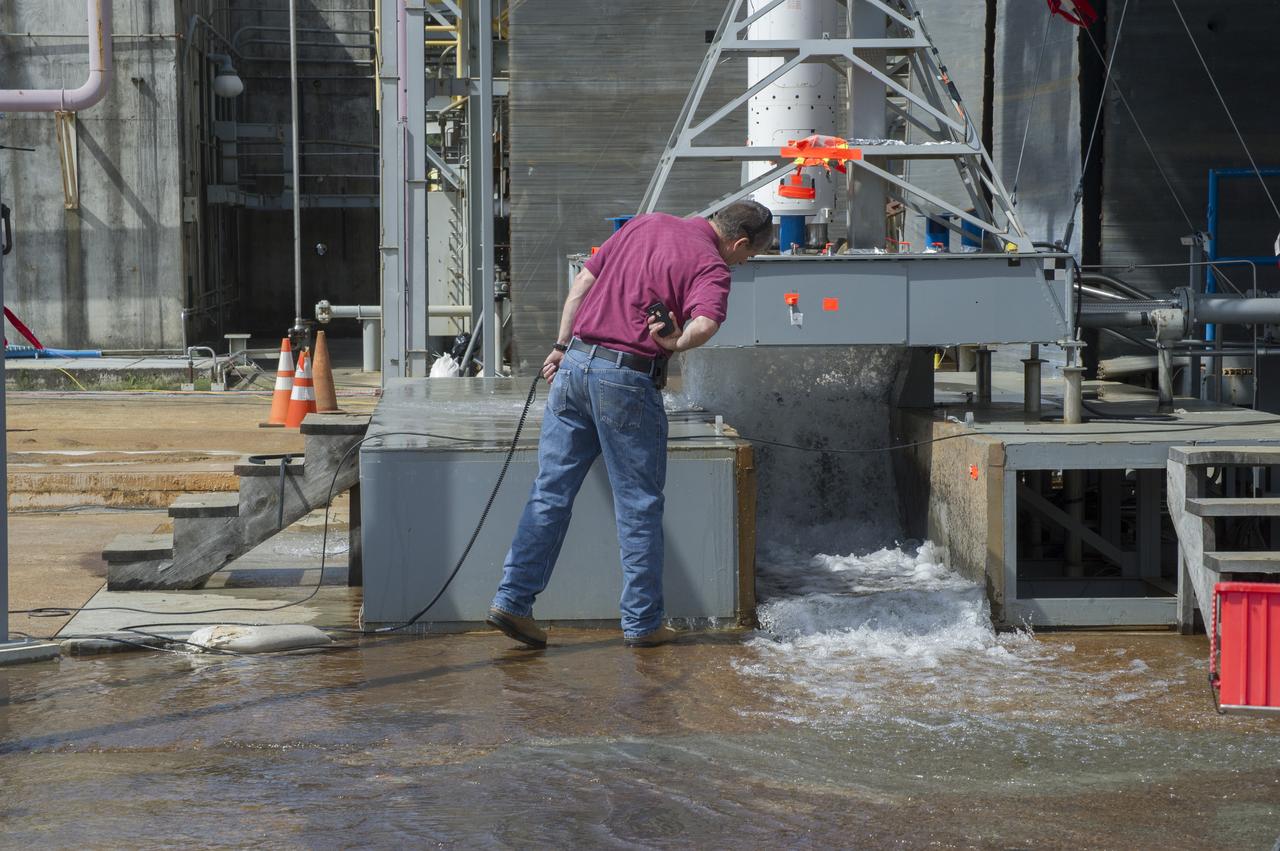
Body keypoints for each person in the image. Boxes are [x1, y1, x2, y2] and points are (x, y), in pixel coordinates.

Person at [487, 200, 774, 649]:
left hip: (574, 365)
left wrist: (562, 346)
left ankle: (512, 600)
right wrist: (675, 340)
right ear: (738, 241)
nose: (742, 263)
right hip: (625, 380)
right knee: (638, 505)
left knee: (550, 492)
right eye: (749, 256)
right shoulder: (711, 266)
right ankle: (643, 624)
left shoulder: (645, 224)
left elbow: (582, 282)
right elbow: (705, 324)